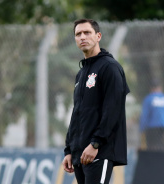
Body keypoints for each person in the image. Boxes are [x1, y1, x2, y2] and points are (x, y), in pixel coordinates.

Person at [62, 19, 130, 184]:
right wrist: (69, 150)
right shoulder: (81, 73)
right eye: (78, 34)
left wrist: (95, 144)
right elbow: (77, 113)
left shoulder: (110, 67)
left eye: (87, 33)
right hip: (80, 153)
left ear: (98, 36)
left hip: (99, 151)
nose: (82, 37)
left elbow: (113, 109)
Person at [139, 79, 164, 151]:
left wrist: (141, 129)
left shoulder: (149, 98)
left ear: (151, 88)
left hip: (152, 127)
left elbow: (145, 116)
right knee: (162, 146)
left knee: (151, 147)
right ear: (160, 88)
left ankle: (153, 160)